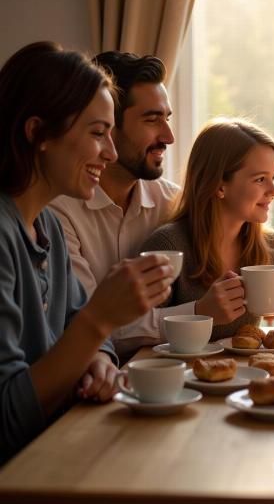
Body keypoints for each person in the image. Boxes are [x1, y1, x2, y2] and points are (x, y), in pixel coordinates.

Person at [0, 42, 173, 461]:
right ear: (38, 132)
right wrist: (100, 320)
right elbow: (6, 419)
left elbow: (84, 334)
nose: (111, 153)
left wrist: (96, 361)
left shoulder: (47, 229)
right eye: (98, 133)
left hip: (56, 453)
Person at [50, 51, 181, 359]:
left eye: (167, 119)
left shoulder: (171, 202)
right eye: (152, 120)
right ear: (109, 127)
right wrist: (198, 314)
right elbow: (84, 324)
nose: (169, 136)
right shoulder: (57, 212)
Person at [140, 118, 274, 340]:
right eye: (260, 179)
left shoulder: (269, 246)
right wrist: (199, 311)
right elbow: (130, 332)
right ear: (219, 185)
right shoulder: (168, 246)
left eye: (273, 177)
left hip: (247, 374)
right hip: (182, 374)